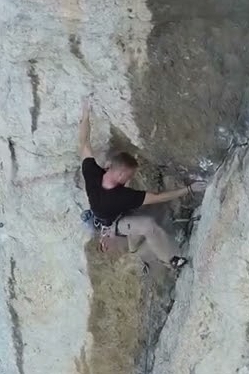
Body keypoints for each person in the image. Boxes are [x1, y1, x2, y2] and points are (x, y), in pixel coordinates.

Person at [78, 101, 204, 270]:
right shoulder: (120, 197)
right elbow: (157, 197)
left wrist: (85, 114)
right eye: (129, 175)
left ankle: (134, 248)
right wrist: (188, 189)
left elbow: (84, 143)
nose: (132, 176)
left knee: (134, 226)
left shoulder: (92, 172)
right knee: (148, 225)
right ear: (120, 173)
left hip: (108, 213)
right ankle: (171, 261)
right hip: (115, 222)